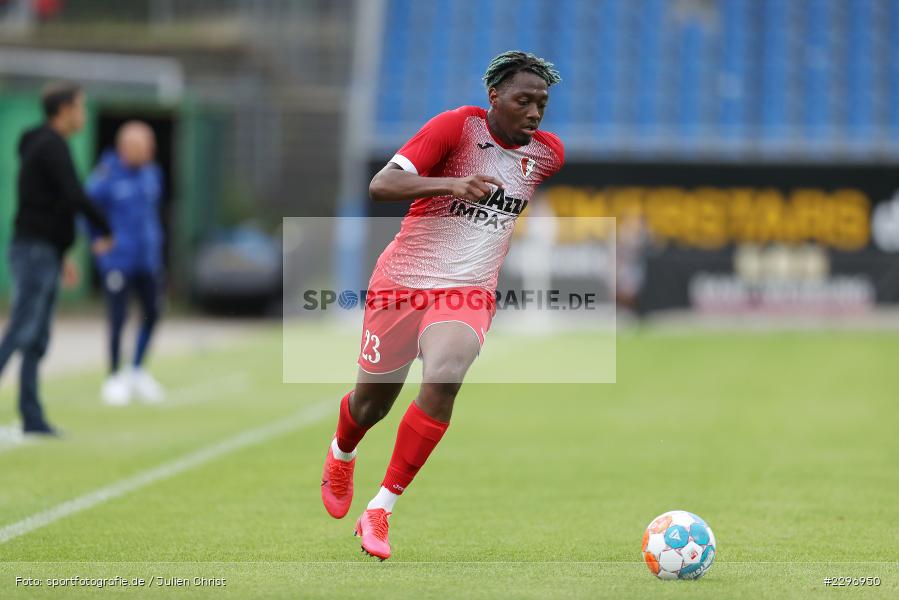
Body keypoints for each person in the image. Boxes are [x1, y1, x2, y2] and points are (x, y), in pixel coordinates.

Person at [320, 51, 564, 560]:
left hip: (468, 291)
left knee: (446, 374)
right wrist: (451, 183)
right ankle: (342, 452)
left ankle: (381, 508)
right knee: (371, 405)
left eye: (542, 103)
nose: (535, 113)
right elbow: (382, 184)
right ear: (494, 96)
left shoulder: (547, 154)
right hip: (402, 284)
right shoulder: (455, 128)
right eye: (524, 100)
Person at [0, 82, 114, 435]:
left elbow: (51, 202)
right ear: (63, 109)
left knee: (36, 337)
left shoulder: (43, 143)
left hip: (44, 248)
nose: (83, 114)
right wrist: (105, 229)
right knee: (22, 329)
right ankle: (30, 413)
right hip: (35, 249)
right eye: (80, 107)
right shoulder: (50, 145)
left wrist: (61, 251)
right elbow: (74, 195)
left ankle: (31, 416)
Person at [85, 121, 165, 405]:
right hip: (118, 259)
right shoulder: (106, 176)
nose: (150, 149)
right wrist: (96, 240)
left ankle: (137, 370)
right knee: (118, 317)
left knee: (152, 313)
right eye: (145, 143)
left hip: (148, 259)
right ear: (126, 146)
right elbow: (86, 210)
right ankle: (114, 375)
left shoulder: (153, 173)